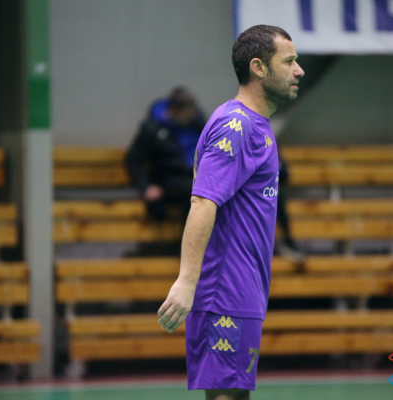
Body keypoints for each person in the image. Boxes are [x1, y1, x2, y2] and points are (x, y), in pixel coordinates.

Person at [157, 25, 304, 400]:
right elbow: (203, 201)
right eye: (288, 61)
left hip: (242, 289)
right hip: (225, 289)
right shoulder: (236, 126)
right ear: (258, 67)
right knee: (227, 395)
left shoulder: (256, 126)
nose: (299, 70)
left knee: (233, 394)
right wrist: (186, 280)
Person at [127, 87, 206, 223]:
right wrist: (146, 187)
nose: (191, 116)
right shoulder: (152, 129)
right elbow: (133, 160)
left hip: (194, 178)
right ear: (174, 111)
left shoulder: (196, 123)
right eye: (187, 113)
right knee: (195, 195)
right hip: (168, 180)